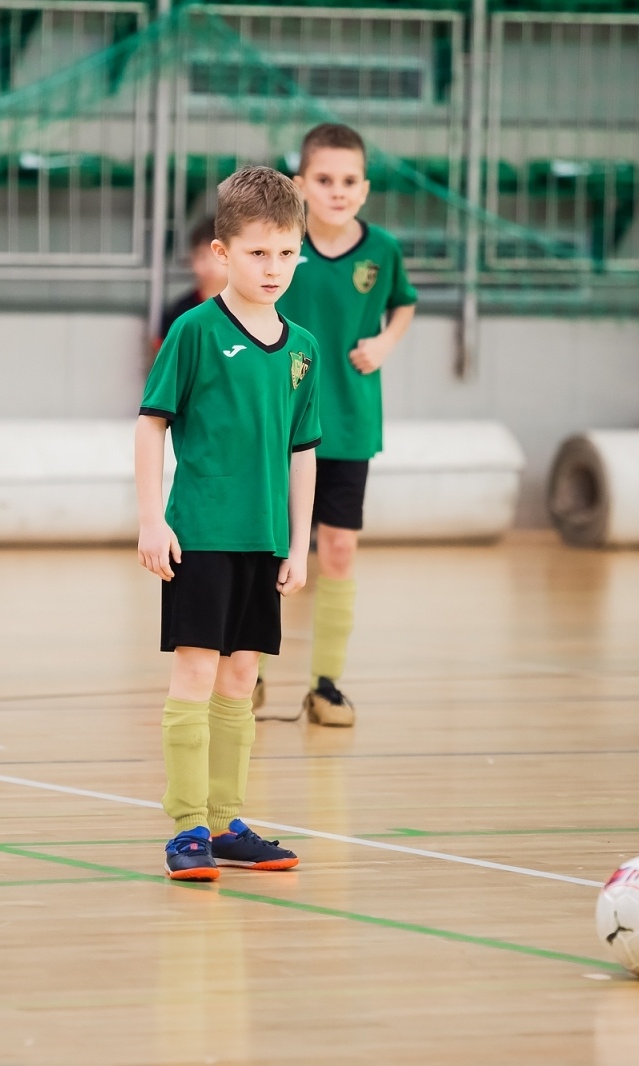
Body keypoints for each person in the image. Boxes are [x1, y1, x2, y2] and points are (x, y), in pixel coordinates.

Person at [135, 166, 322, 881]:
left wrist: (297, 542)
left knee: (241, 677)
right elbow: (151, 427)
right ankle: (185, 826)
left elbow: (304, 451)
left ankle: (224, 820)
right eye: (256, 253)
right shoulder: (194, 331)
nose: (273, 268)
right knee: (196, 673)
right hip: (202, 533)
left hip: (264, 539)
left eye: (285, 252)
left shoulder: (302, 348)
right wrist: (152, 519)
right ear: (222, 253)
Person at [259, 122, 417, 727]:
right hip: (280, 425)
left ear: (366, 188)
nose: (337, 191)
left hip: (349, 426)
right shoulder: (279, 247)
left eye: (349, 180)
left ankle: (325, 685)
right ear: (300, 185)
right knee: (271, 549)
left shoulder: (382, 250)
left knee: (340, 550)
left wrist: (385, 342)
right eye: (324, 180)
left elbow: (404, 301)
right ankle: (255, 674)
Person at [159, 216, 226, 342]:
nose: (210, 265)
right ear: (192, 258)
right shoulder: (180, 310)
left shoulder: (249, 308)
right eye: (202, 256)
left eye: (218, 256)